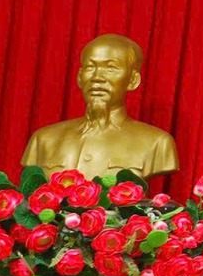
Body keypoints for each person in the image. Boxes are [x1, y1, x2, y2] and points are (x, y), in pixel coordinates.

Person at [22, 34, 178, 180]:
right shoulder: (43, 139)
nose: (97, 77)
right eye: (90, 67)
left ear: (133, 80)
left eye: (111, 68)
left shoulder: (157, 143)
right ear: (79, 77)